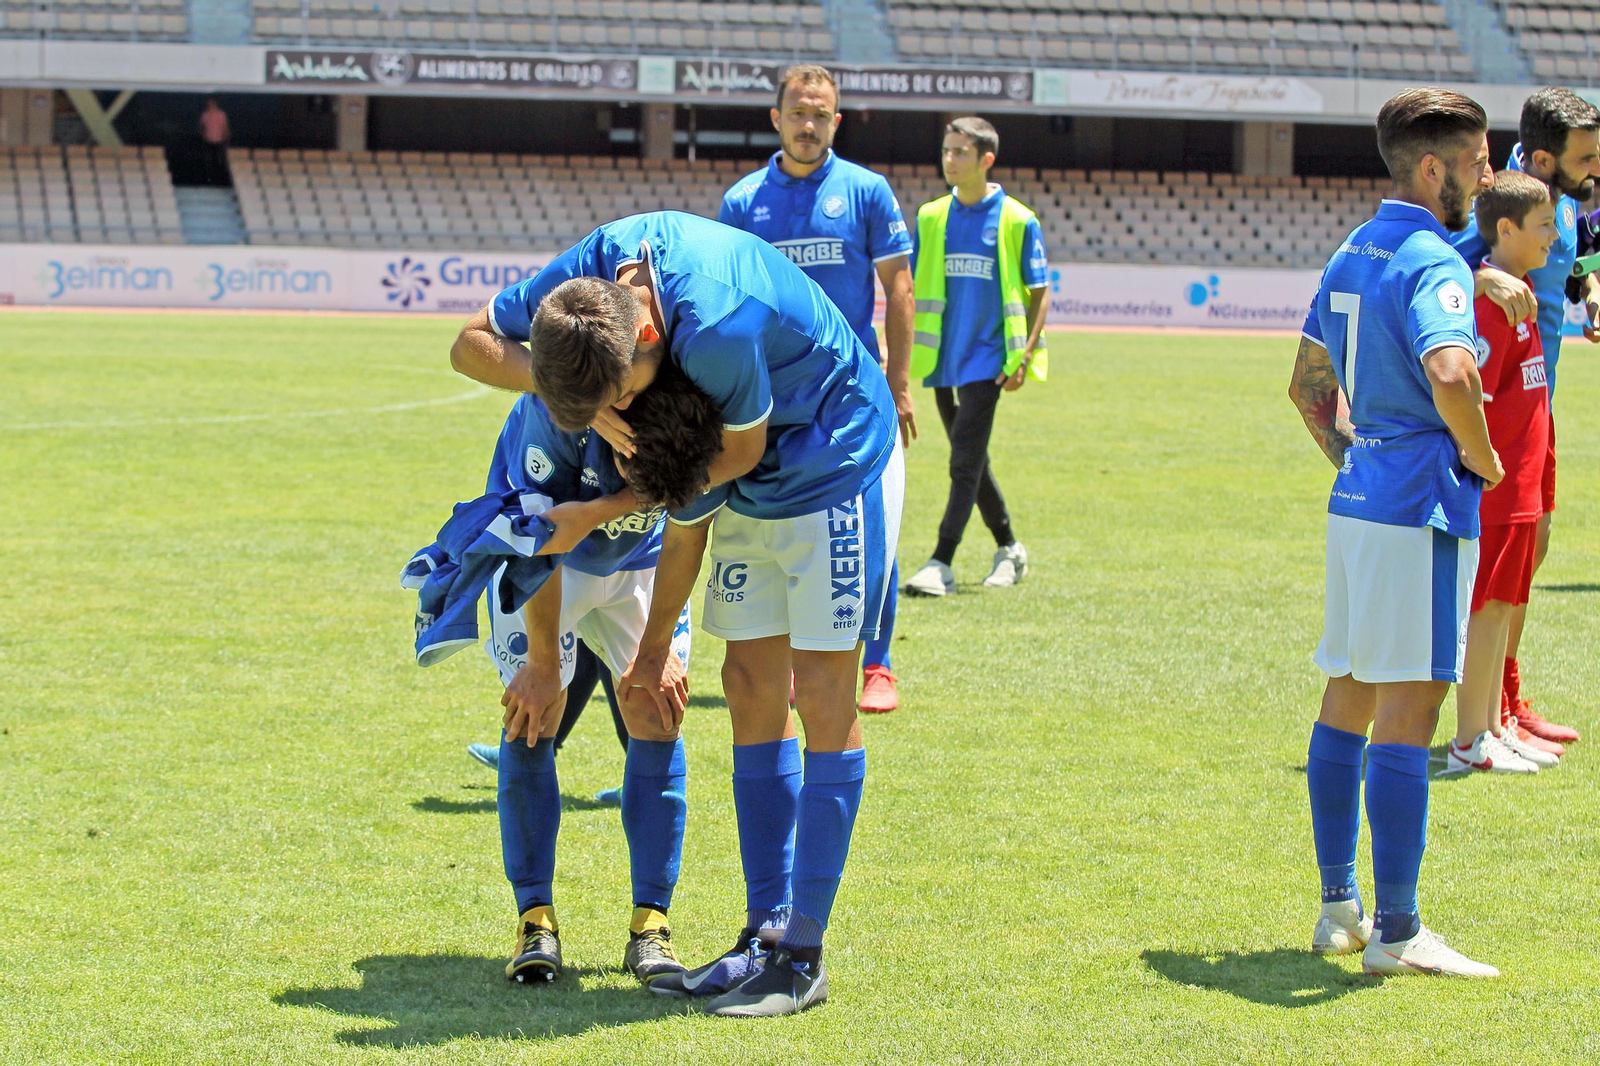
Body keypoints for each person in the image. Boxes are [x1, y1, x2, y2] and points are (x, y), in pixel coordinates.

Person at [449, 211, 902, 1017]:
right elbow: (470, 343)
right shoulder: (588, 285)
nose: (609, 415)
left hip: (833, 457)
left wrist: (610, 530)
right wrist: (579, 404)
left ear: (649, 333)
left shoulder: (719, 326)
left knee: (821, 691)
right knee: (748, 679)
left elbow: (727, 464)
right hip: (746, 486)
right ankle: (765, 933)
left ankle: (801, 955)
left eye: (618, 396)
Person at [410, 362, 719, 986]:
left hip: (644, 561)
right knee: (534, 717)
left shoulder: (694, 396)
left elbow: (690, 524)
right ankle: (535, 920)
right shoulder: (548, 424)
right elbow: (536, 544)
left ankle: (651, 925)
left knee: (656, 712)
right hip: (550, 562)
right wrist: (544, 664)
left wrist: (658, 651)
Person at [1287, 87, 1502, 977]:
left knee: (1348, 696)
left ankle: (1341, 907)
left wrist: (1357, 459)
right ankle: (1400, 932)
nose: (1489, 178)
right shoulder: (1430, 261)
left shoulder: (1353, 246)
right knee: (1412, 710)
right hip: (1421, 505)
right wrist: (1482, 457)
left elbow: (1305, 385)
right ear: (1433, 167)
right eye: (1481, 163)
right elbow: (1452, 370)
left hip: (1361, 501)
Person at [718, 63, 915, 713]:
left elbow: (899, 290)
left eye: (822, 114)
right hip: (773, 405)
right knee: (787, 534)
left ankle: (878, 664)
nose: (810, 124)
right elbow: (729, 304)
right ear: (776, 119)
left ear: (838, 120)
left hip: (854, 404)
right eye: (799, 112)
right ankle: (801, 660)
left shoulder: (867, 192)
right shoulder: (744, 202)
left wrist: (899, 387)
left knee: (872, 536)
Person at [1450, 87, 1600, 749]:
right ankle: (1491, 711)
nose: (1596, 168)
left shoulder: (1564, 205)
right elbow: (1445, 258)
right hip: (1503, 407)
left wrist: (1589, 288)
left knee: (1533, 548)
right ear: (1544, 157)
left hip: (1544, 398)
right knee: (1507, 554)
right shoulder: (1503, 200)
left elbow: (1575, 258)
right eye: (1586, 157)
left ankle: (1506, 700)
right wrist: (1482, 277)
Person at [1444, 171, 1560, 776]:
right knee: (1485, 609)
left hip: (1522, 485)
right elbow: (1475, 398)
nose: (1555, 233)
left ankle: (1491, 727)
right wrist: (1490, 471)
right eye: (1544, 224)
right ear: (1507, 230)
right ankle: (1469, 741)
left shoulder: (1522, 289)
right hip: (1498, 487)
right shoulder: (1491, 304)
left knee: (1503, 604)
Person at [902, 116, 1048, 598]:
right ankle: (1009, 547)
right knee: (972, 459)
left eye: (961, 152)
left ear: (986, 159)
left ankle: (940, 560)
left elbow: (1039, 292)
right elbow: (916, 285)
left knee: (963, 462)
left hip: (991, 359)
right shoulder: (930, 217)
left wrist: (1024, 356)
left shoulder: (1018, 219)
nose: (950, 159)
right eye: (946, 150)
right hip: (942, 358)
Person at [199, 98, 230, 187]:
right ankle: (209, 181)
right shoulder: (204, 115)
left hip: (219, 142)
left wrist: (226, 140)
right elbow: (201, 127)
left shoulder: (221, 114)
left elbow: (225, 128)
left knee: (220, 162)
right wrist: (204, 137)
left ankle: (220, 182)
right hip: (208, 141)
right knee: (208, 163)